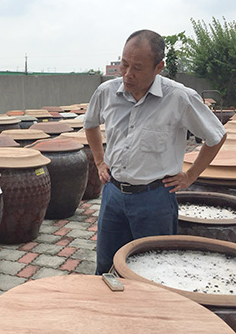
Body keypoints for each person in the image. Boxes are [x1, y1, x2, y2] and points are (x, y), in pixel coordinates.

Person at [83, 29, 227, 275]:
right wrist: (99, 161)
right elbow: (90, 124)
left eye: (137, 68)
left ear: (159, 67)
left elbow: (216, 136)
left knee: (156, 272)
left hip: (155, 199)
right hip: (113, 195)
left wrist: (190, 176)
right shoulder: (107, 92)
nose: (128, 75)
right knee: (106, 268)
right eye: (124, 64)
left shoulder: (179, 98)